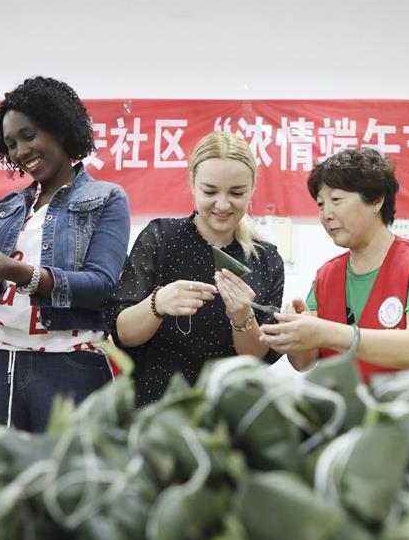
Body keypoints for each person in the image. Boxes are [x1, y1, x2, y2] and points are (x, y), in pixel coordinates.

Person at [0, 76, 130, 432]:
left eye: (29, 135)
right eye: (10, 144)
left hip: (71, 365)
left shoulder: (106, 197)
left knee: (68, 483)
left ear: (60, 128)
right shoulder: (8, 207)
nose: (21, 151)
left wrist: (20, 272)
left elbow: (102, 285)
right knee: (0, 483)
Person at [106, 132, 284, 405]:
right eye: (210, 191)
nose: (223, 205)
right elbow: (121, 333)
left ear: (252, 189)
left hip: (229, 412)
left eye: (237, 193)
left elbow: (257, 358)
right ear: (192, 183)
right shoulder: (161, 237)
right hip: (158, 409)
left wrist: (242, 318)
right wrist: (158, 302)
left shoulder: (266, 259)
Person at [259, 147, 409, 381]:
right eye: (321, 204)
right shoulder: (327, 275)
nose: (326, 214)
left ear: (376, 200)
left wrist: (325, 332)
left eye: (337, 200)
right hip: (348, 414)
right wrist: (296, 330)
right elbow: (303, 362)